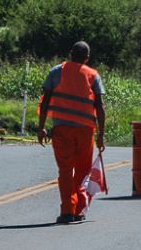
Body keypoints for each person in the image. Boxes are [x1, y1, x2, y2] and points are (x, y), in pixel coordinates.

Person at [37, 41, 106, 224]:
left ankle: (68, 210)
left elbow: (45, 102)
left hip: (62, 131)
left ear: (70, 54)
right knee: (83, 170)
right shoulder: (93, 75)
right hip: (85, 131)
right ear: (87, 58)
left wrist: (41, 127)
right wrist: (100, 135)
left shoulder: (56, 71)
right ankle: (79, 210)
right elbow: (100, 108)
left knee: (66, 171)